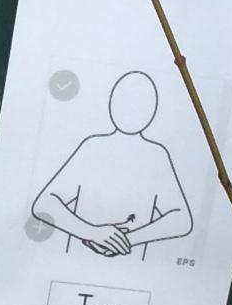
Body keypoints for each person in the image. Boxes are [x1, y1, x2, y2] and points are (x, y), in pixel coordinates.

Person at [32, 71, 192, 259]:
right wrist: (91, 232)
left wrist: (126, 240)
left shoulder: (157, 155)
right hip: (72, 260)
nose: (131, 111)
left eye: (140, 105)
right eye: (125, 102)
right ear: (112, 103)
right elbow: (44, 203)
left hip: (135, 269)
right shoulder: (92, 146)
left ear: (153, 109)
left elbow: (182, 219)